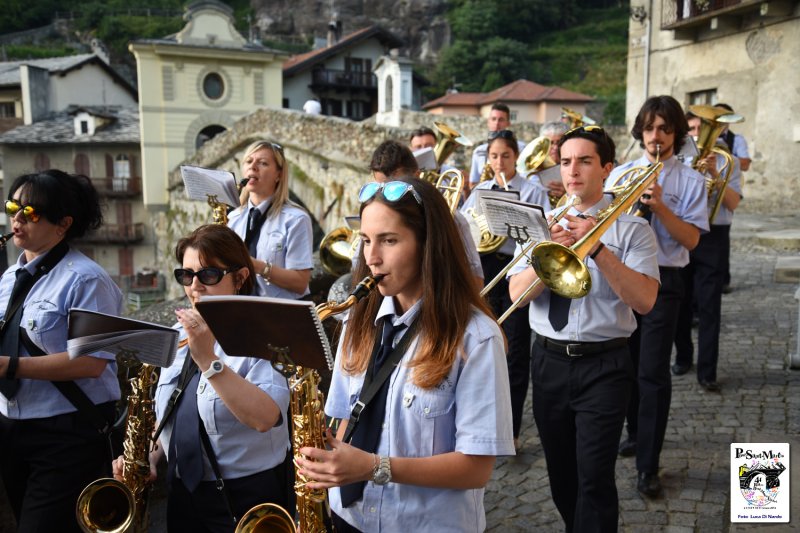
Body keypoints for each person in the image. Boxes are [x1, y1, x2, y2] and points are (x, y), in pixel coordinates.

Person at [296, 177, 514, 532]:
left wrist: (373, 467)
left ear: (428, 247)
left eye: (389, 240)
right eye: (366, 240)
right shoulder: (356, 319)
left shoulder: (476, 338)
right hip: (349, 516)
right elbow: (348, 417)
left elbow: (477, 469)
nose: (372, 257)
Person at [508, 125, 659, 532]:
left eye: (585, 161)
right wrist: (546, 256)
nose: (573, 171)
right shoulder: (541, 224)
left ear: (606, 168)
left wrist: (597, 248)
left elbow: (644, 300)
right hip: (549, 362)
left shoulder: (633, 229)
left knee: (594, 478)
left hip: (605, 365)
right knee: (562, 476)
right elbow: (517, 297)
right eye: (566, 161)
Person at [113, 224, 291, 532]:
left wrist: (208, 360)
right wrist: (149, 454)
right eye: (186, 275)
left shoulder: (264, 336)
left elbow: (266, 417)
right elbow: (176, 415)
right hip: (184, 493)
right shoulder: (177, 334)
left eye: (209, 275)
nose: (195, 286)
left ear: (240, 278)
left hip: (248, 497)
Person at [0, 169, 124, 532]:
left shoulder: (87, 279)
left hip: (66, 433)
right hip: (12, 425)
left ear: (63, 224)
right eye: (13, 207)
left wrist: (9, 367)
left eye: (31, 213)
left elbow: (90, 363)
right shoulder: (10, 276)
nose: (17, 220)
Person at [612, 95, 709, 498]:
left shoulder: (690, 180)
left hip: (666, 280)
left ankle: (648, 465)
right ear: (641, 131)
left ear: (676, 133)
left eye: (665, 129)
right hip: (626, 276)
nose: (657, 136)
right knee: (627, 365)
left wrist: (661, 205)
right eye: (650, 128)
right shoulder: (623, 173)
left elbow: (690, 240)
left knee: (653, 372)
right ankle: (636, 432)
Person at [461, 130, 549, 450]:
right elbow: (466, 227)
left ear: (516, 158)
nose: (499, 162)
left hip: (516, 270)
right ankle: (483, 420)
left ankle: (510, 427)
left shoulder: (532, 190)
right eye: (494, 156)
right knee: (482, 341)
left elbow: (544, 230)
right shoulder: (481, 190)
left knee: (514, 348)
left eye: (506, 156)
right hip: (484, 271)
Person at [672, 112, 742, 391]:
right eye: (692, 128)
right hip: (682, 232)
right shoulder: (677, 159)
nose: (698, 134)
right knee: (680, 303)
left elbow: (734, 203)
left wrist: (714, 174)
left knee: (710, 306)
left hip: (713, 236)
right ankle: (683, 356)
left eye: (703, 128)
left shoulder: (726, 160)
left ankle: (707, 371)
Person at [370, 139, 484, 289]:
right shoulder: (371, 220)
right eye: (380, 188)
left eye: (396, 188)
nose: (386, 197)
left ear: (417, 176)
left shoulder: (452, 218)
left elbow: (475, 280)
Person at [228, 140, 313, 299]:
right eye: (248, 161)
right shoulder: (232, 219)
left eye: (263, 163)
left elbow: (300, 283)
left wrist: (255, 265)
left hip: (281, 315)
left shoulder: (296, 219)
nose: (253, 167)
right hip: (242, 311)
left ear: (279, 175)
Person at [467, 103, 526, 191]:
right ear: (488, 122)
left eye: (501, 120)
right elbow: (473, 183)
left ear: (508, 123)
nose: (497, 123)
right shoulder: (479, 151)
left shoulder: (522, 148)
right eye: (493, 119)